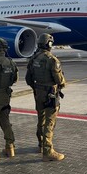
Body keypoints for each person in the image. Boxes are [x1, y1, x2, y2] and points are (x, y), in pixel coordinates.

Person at [25, 33, 66, 162]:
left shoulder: (33, 59)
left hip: (38, 93)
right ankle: (48, 151)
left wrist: (37, 88)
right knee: (50, 121)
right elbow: (59, 80)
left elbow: (28, 79)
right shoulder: (52, 60)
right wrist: (62, 83)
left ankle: (41, 144)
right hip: (50, 94)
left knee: (40, 118)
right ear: (49, 44)